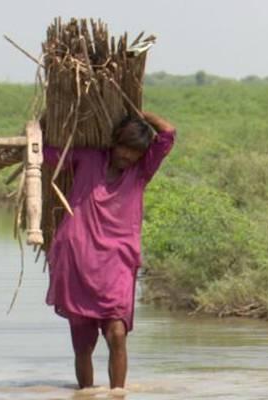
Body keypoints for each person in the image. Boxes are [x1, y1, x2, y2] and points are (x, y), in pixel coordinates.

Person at [43, 111, 175, 392]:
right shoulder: (88, 159)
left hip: (118, 262)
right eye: (125, 148)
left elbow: (168, 134)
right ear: (114, 142)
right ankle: (86, 394)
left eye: (135, 152)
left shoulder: (142, 170)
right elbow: (48, 154)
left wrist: (142, 115)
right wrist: (38, 127)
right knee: (83, 345)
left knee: (117, 334)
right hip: (77, 258)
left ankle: (118, 394)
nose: (128, 156)